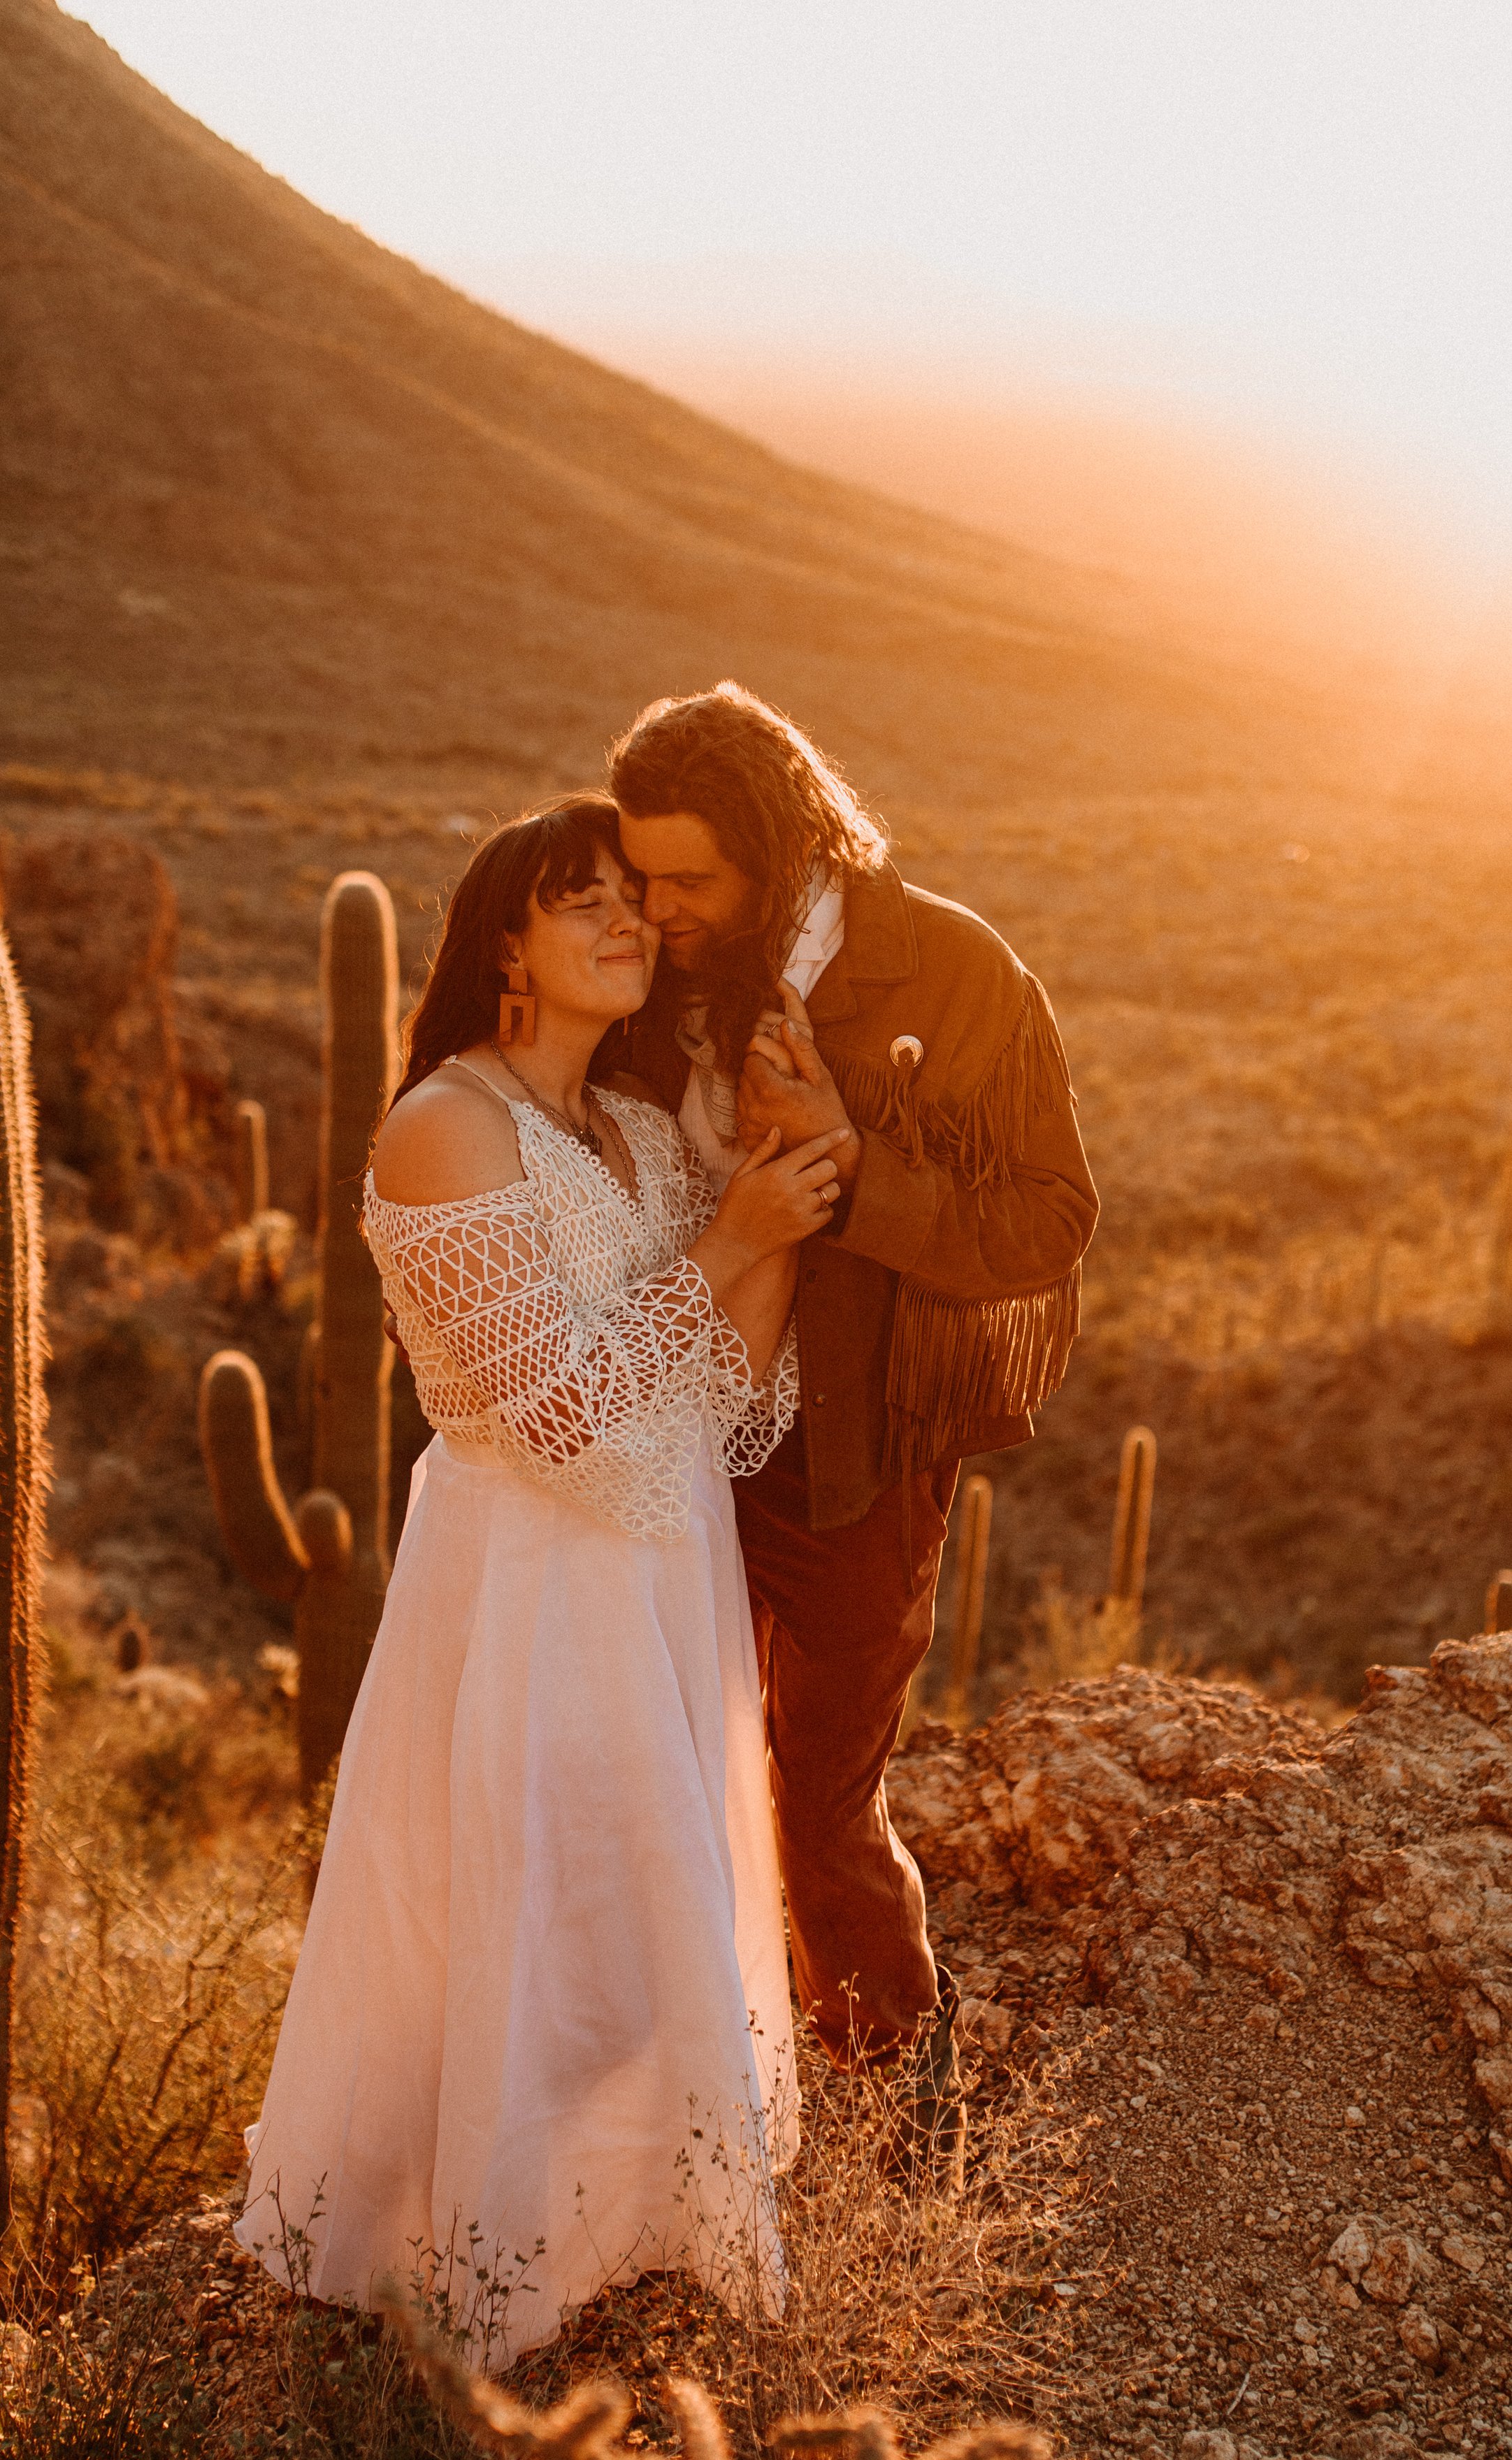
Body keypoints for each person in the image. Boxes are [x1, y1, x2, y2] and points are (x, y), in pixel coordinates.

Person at [236, 796, 846, 2361]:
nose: (623, 924)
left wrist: (768, 1197)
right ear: (502, 941)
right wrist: (734, 1242)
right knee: (525, 1909)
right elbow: (559, 1411)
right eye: (581, 901)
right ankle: (477, 2285)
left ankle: (635, 2229)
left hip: (659, 1565)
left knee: (643, 1908)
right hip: (525, 1582)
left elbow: (727, 1397)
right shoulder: (445, 1125)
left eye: (633, 901)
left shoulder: (637, 1136)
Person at [606, 686, 1099, 2140]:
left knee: (818, 1799)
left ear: (771, 847)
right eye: (638, 877)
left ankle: (890, 2116)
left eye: (688, 877)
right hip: (657, 1440)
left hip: (849, 1462)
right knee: (651, 1785)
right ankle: (680, 2111)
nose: (658, 906)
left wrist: (849, 1166)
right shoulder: (643, 968)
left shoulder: (949, 970)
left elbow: (1048, 1220)